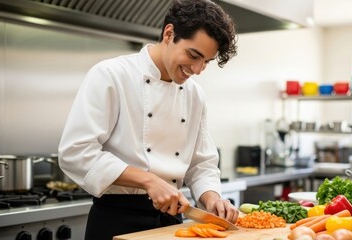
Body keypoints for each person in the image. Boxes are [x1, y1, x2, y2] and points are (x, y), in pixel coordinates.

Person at [57, 0, 238, 239]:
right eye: (193, 55)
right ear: (169, 33)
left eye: (206, 61)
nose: (197, 70)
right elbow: (75, 152)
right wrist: (148, 180)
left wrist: (211, 197)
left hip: (171, 222)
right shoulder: (111, 75)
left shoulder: (195, 94)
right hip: (116, 220)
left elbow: (201, 163)